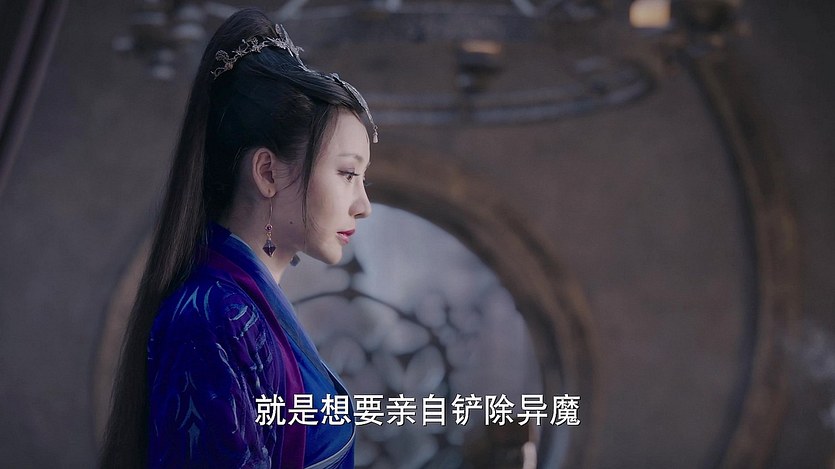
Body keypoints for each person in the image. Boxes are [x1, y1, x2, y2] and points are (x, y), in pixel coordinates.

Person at [100, 8, 377, 468]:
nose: (362, 204)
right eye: (348, 174)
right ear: (267, 172)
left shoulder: (241, 307)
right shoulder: (214, 316)